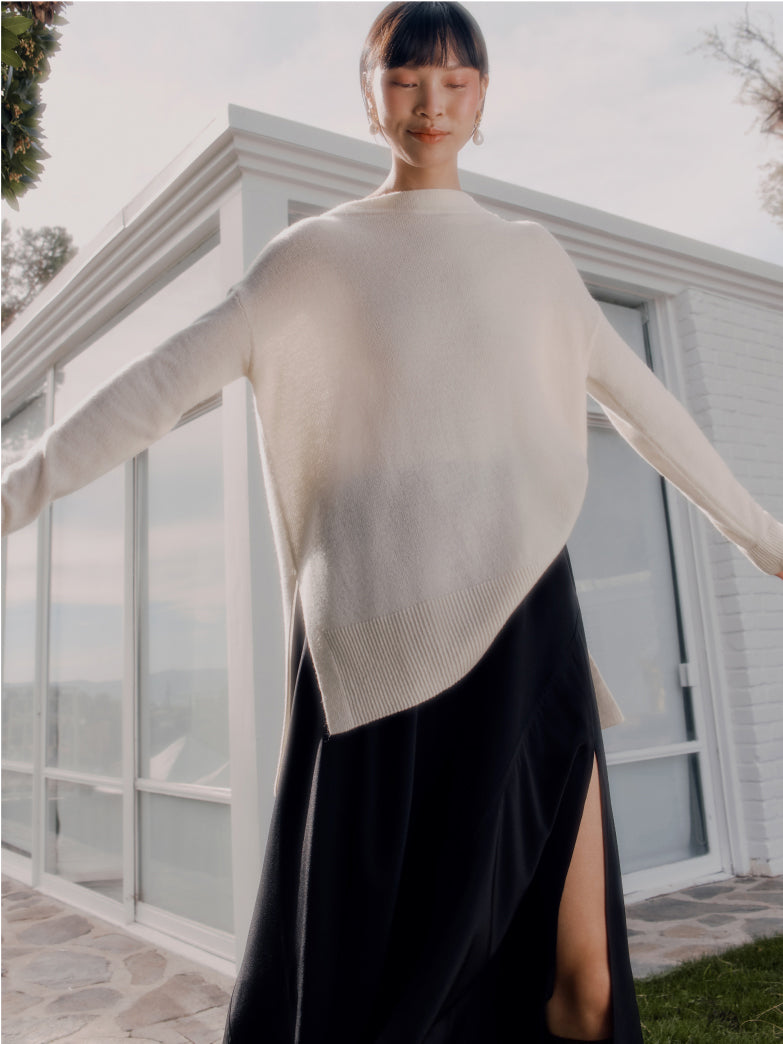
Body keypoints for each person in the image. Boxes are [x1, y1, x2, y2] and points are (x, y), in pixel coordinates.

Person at [2, 2, 782, 1042]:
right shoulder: (311, 259)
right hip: (380, 660)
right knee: (378, 999)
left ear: (484, 99)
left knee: (585, 987)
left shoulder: (532, 256)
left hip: (527, 634)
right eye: (408, 77)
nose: (433, 102)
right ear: (369, 96)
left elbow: (651, 416)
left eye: (458, 81)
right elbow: (152, 389)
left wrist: (765, 541)